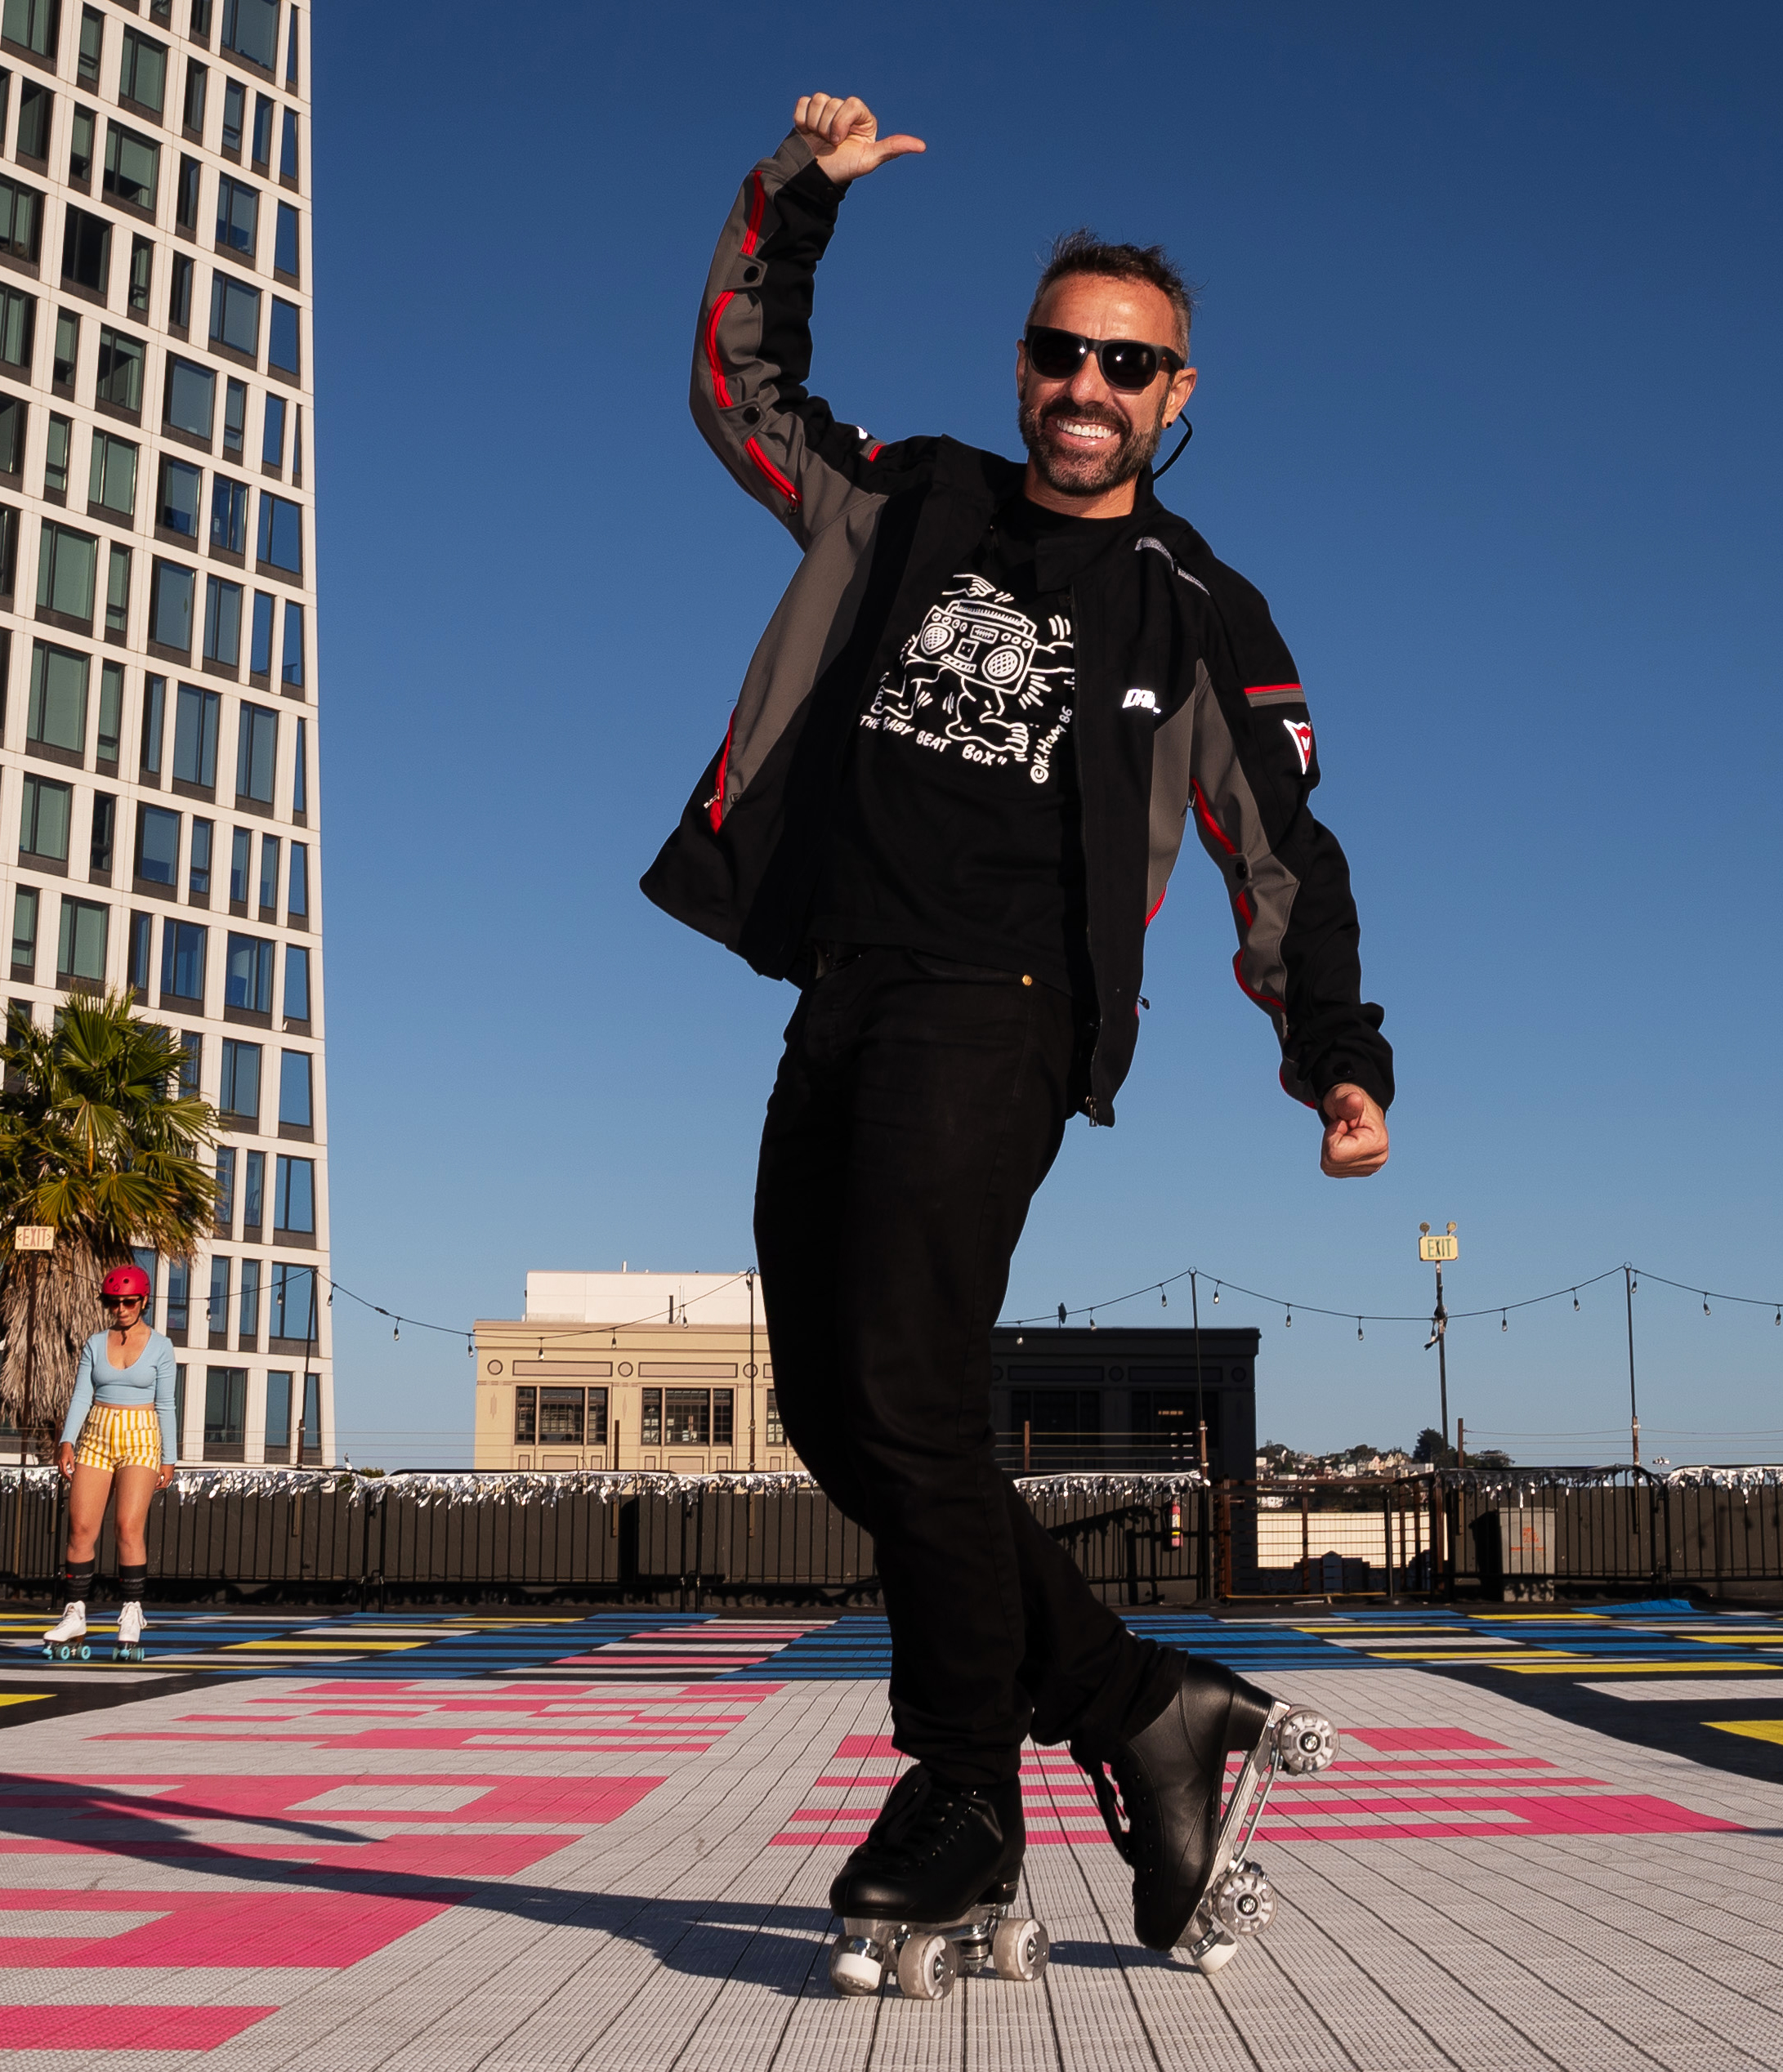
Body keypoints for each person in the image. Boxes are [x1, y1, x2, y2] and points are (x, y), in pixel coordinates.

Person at [643, 93, 1392, 1951]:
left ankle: (967, 1784)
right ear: (1019, 363)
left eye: (1123, 366)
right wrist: (793, 197)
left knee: (906, 1387)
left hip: (1008, 1013)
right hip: (843, 988)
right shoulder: (911, 498)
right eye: (1059, 351)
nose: (1084, 386)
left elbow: (1276, 844)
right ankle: (1143, 1708)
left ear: (1176, 393)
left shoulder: (1198, 607)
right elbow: (742, 387)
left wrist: (1333, 1048)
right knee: (842, 1413)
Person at [42, 1266, 177, 1657]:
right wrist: (67, 1440)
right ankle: (75, 1613)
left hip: (140, 1434)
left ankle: (132, 1612)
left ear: (144, 1301)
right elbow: (82, 1396)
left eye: (129, 1301)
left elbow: (167, 1404)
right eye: (114, 1302)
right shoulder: (94, 1342)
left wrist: (169, 1458)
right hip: (97, 1433)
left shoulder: (160, 1346)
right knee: (81, 1527)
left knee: (127, 1527)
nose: (121, 1308)